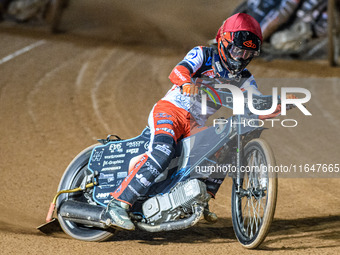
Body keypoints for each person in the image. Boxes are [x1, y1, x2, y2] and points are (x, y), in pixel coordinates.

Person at [101, 13, 266, 231]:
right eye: (237, 50)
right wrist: (187, 82)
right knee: (162, 151)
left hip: (194, 124)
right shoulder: (203, 53)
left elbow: (256, 98)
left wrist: (277, 104)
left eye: (248, 53)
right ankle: (117, 204)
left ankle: (202, 197)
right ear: (224, 42)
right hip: (171, 110)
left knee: (223, 146)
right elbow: (179, 70)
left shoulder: (244, 77)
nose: (241, 57)